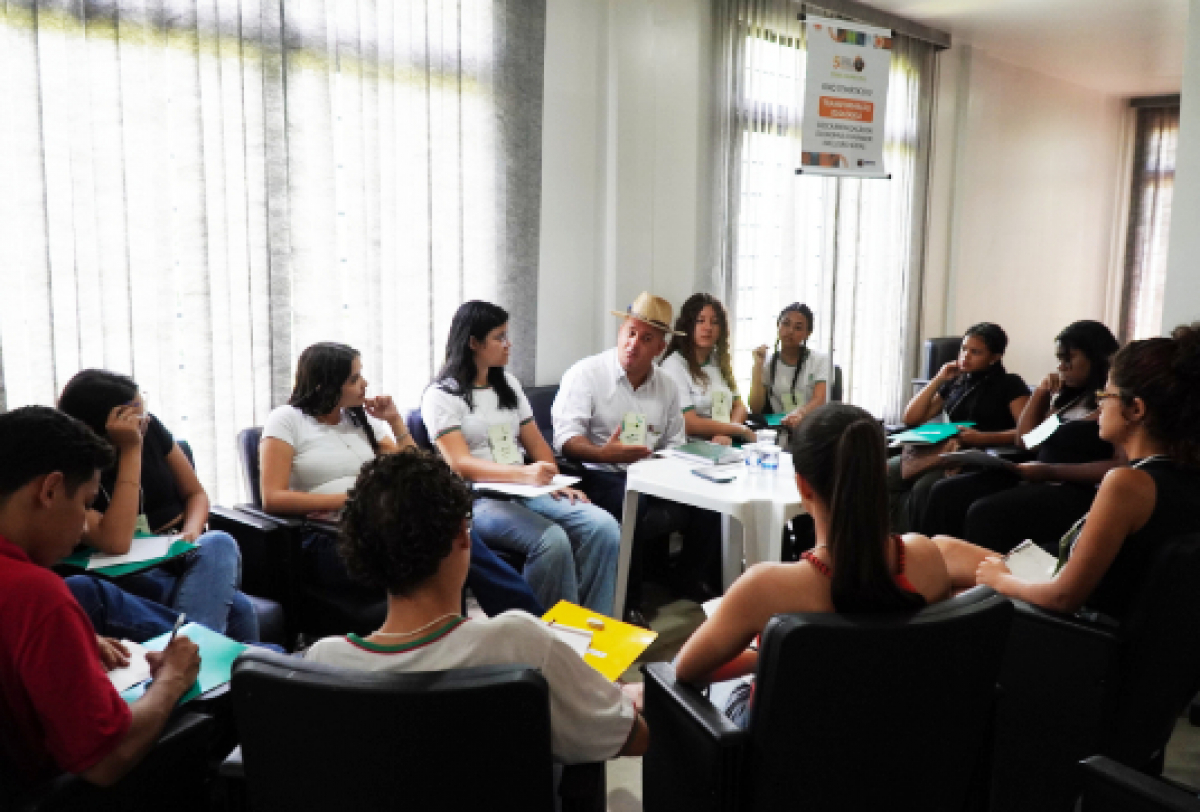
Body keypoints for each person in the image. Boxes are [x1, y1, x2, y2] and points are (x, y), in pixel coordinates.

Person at [303, 450, 648, 764]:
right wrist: (627, 695)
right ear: (463, 537)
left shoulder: (323, 664)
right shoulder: (519, 643)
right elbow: (632, 738)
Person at [674, 404, 951, 727]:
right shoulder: (927, 558)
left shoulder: (766, 589)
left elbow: (685, 671)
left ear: (803, 486)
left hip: (784, 759)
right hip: (895, 738)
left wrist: (766, 655)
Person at [934, 325, 1200, 622]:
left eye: (1106, 395)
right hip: (1082, 592)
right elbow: (1027, 439)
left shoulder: (1128, 482)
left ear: (1135, 409)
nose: (1100, 404)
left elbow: (1063, 597)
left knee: (942, 576)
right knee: (939, 550)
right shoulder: (1177, 473)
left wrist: (998, 580)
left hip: (1082, 628)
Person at [260, 341, 542, 616]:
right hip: (331, 535)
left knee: (455, 534)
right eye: (355, 378)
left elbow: (415, 471)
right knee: (447, 540)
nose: (365, 384)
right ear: (326, 385)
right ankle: (534, 624)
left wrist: (395, 422)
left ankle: (523, 625)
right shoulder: (287, 420)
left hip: (383, 522)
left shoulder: (360, 419)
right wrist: (353, 500)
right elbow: (273, 499)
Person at [0, 406, 201, 789]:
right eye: (86, 504)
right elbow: (106, 760)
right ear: (50, 489)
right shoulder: (36, 595)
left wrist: (67, 642)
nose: (82, 525)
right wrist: (173, 679)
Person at [422, 301, 620, 615]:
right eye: (499, 337)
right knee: (551, 542)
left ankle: (592, 630)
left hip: (528, 489)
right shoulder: (441, 395)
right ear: (473, 343)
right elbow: (460, 464)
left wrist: (551, 479)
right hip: (479, 498)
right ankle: (545, 638)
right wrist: (525, 475)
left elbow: (539, 446)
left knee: (603, 527)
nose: (508, 344)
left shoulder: (508, 385)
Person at [552, 292, 722, 624]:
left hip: (651, 473)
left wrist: (664, 465)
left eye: (646, 339)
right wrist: (603, 452)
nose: (634, 344)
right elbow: (565, 441)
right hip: (596, 472)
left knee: (711, 495)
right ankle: (628, 603)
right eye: (630, 332)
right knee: (632, 501)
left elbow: (675, 442)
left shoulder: (667, 386)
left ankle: (688, 583)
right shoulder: (587, 374)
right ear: (620, 332)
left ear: (660, 348)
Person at [56, 369, 261, 644]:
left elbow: (196, 494)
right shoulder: (70, 467)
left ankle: (192, 651)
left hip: (173, 551)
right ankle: (195, 652)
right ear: (103, 422)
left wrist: (189, 533)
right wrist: (130, 449)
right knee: (239, 608)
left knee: (219, 541)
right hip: (124, 571)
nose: (145, 418)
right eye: (135, 412)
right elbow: (116, 542)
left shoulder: (152, 430)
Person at [919, 321, 1121, 548]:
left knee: (984, 512)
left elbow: (1121, 464)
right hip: (1037, 473)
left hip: (1073, 486)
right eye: (1059, 359)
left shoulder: (1112, 404)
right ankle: (931, 563)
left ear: (1096, 358)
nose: (1061, 367)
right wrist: (1041, 395)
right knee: (945, 492)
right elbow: (1026, 441)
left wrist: (1050, 471)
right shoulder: (1070, 400)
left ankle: (979, 578)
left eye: (1069, 359)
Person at [889, 323, 1030, 533]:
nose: (965, 356)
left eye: (975, 352)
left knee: (924, 488)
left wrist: (983, 439)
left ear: (995, 357)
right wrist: (938, 379)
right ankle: (887, 538)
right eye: (964, 349)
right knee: (886, 472)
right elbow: (912, 417)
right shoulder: (957, 381)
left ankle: (915, 547)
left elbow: (1027, 433)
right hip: (945, 451)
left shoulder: (1010, 384)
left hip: (981, 456)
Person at [659, 293, 755, 446]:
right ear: (688, 325)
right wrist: (738, 430)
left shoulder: (719, 360)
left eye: (715, 322)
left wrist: (728, 432)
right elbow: (689, 423)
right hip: (690, 448)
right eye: (700, 321)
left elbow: (739, 405)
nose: (708, 328)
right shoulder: (674, 365)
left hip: (724, 444)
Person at [747, 303, 831, 430]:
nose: (790, 331)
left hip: (811, 428)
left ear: (808, 333)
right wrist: (757, 367)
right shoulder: (767, 363)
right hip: (779, 429)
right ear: (778, 325)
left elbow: (819, 400)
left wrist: (799, 414)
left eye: (798, 327)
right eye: (786, 324)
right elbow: (755, 408)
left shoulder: (821, 360)